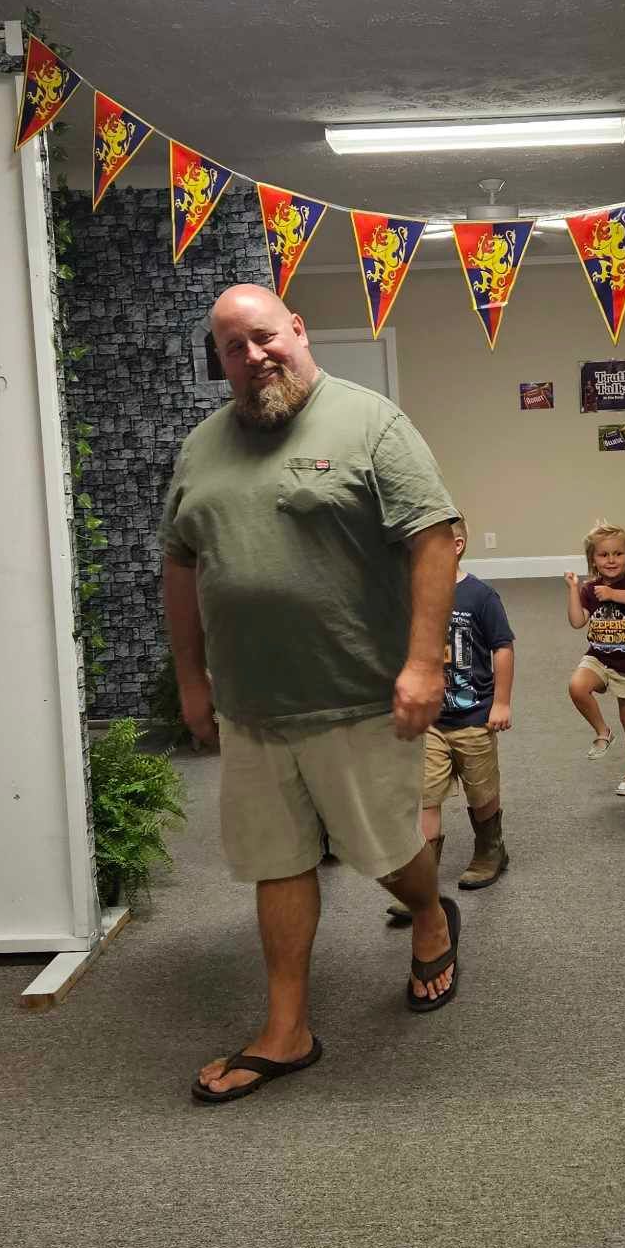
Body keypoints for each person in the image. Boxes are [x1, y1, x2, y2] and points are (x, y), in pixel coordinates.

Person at [161, 284, 461, 1106]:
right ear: (219, 361)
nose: (254, 357)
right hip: (252, 707)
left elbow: (434, 537)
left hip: (357, 694)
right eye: (232, 347)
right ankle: (286, 1031)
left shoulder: (370, 423)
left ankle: (430, 915)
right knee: (278, 862)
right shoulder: (200, 448)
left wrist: (424, 664)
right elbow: (180, 565)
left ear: (297, 329)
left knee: (386, 855)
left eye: (264, 337)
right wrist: (192, 681)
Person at [386, 515, 513, 921]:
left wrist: (502, 702)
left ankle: (491, 849)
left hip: (474, 715)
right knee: (426, 797)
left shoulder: (480, 596)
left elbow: (503, 648)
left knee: (481, 791)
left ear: (454, 547)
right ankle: (422, 883)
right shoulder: (410, 595)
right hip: (429, 721)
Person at [565, 523, 625, 797]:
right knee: (577, 686)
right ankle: (603, 732)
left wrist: (613, 594)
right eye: (604, 555)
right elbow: (577, 621)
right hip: (599, 658)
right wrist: (574, 588)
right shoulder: (590, 589)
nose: (611, 560)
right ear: (593, 559)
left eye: (618, 554)